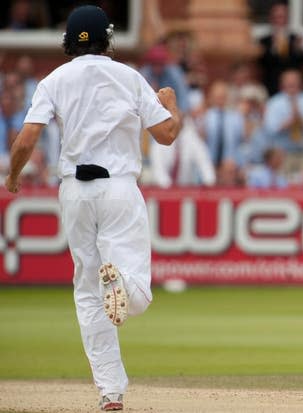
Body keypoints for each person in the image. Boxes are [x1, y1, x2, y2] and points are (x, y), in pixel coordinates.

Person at [4, 5, 180, 411]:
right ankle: (121, 284)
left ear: (69, 41)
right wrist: (171, 103)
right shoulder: (129, 76)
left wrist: (13, 178)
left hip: (75, 192)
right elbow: (167, 135)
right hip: (119, 186)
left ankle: (110, 391)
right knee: (134, 289)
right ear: (108, 38)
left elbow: (27, 139)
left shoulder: (54, 79)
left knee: (87, 292)